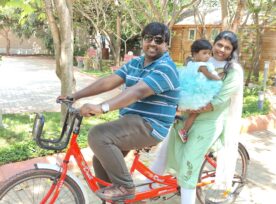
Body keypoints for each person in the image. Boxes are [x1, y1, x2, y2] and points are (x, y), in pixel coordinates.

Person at [58, 22, 179, 201]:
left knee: (98, 135)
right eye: (148, 38)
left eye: (159, 40)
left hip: (150, 125)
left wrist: (102, 107)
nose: (152, 43)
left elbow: (137, 92)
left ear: (166, 45)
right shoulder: (137, 62)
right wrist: (75, 95)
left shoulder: (166, 68)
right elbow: (110, 81)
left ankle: (125, 187)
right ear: (142, 41)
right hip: (131, 121)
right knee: (101, 159)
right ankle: (115, 199)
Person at [148, 31, 244, 204]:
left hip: (208, 121)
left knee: (188, 167)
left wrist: (189, 107)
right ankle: (155, 189)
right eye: (219, 45)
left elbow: (220, 100)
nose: (221, 50)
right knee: (169, 154)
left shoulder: (233, 72)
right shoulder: (199, 61)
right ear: (213, 44)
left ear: (232, 51)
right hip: (186, 116)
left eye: (227, 48)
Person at [177, 39, 222, 143]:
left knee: (190, 113)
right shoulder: (202, 66)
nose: (207, 56)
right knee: (195, 113)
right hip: (197, 92)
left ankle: (183, 127)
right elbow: (209, 76)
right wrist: (218, 78)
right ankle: (184, 131)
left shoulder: (190, 64)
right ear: (195, 54)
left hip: (188, 92)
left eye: (209, 54)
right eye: (204, 53)